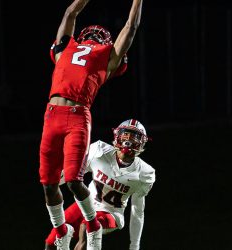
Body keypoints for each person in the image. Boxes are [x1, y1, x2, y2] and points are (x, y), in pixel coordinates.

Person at [39, 0, 144, 249]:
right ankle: (62, 232)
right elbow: (70, 11)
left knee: (75, 180)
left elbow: (130, 27)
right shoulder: (65, 49)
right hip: (52, 113)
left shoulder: (106, 58)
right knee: (48, 184)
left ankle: (93, 227)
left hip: (77, 114)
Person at [44, 119, 155, 250]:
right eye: (126, 135)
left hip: (111, 213)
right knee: (51, 241)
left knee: (88, 227)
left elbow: (138, 211)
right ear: (117, 136)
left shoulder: (144, 173)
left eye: (134, 137)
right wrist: (53, 181)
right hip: (86, 204)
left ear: (142, 143)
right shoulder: (99, 151)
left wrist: (134, 246)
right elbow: (73, 175)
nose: (128, 141)